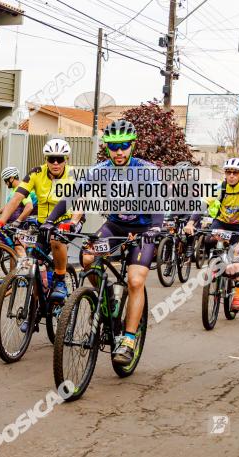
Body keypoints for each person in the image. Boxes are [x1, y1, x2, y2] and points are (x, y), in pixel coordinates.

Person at [46, 120, 161, 366]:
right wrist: (50, 220)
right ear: (107, 148)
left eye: (124, 146)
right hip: (114, 226)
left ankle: (129, 339)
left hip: (143, 229)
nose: (118, 151)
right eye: (113, 146)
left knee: (135, 280)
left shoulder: (146, 170)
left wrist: (156, 228)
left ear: (132, 145)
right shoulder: (100, 170)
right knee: (87, 258)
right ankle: (107, 297)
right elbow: (74, 195)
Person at [0, 139, 76, 301]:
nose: (56, 163)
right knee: (34, 263)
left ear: (67, 159)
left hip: (67, 220)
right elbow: (16, 198)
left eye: (60, 159)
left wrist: (70, 223)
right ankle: (36, 308)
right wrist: (1, 221)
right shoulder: (36, 173)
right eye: (52, 159)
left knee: (56, 239)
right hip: (43, 222)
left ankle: (60, 280)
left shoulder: (72, 174)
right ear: (46, 159)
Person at [184, 157, 239, 312]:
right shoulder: (221, 186)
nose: (231, 176)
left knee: (238, 256)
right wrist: (191, 222)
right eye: (228, 172)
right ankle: (215, 264)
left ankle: (238, 294)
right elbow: (204, 203)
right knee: (208, 240)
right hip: (222, 221)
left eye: (235, 173)